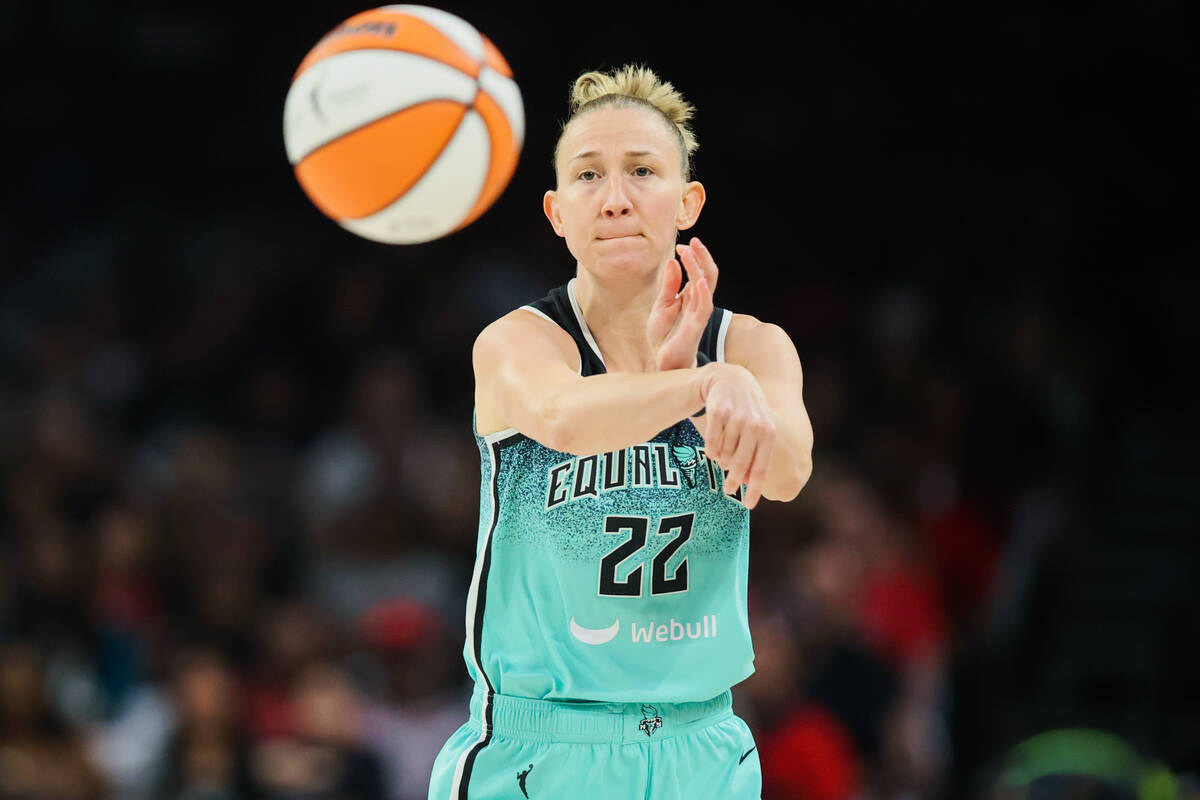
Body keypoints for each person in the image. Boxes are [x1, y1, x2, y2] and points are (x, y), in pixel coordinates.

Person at [428, 64, 813, 800]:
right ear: (556, 213)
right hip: (541, 748)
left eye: (642, 171)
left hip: (701, 749)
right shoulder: (520, 343)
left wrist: (698, 395)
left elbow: (790, 472)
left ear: (688, 201)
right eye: (587, 177)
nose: (614, 199)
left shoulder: (753, 347)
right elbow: (564, 418)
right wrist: (698, 385)